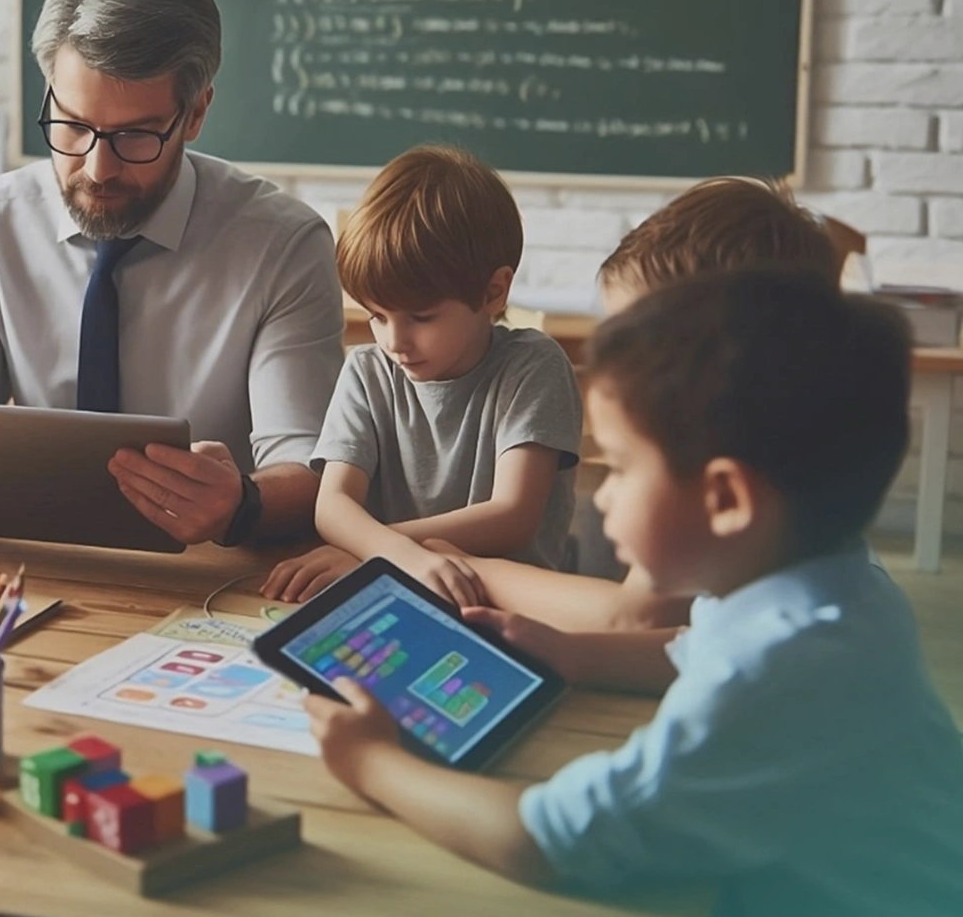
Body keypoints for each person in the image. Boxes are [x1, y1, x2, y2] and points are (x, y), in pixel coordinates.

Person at [304, 270, 963, 915]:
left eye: (619, 468)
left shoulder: (768, 677)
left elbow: (548, 840)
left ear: (726, 498)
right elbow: (695, 644)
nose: (605, 496)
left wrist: (371, 762)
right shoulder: (837, 585)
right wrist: (574, 653)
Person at [0, 0, 346, 548]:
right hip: (35, 565)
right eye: (72, 125)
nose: (97, 167)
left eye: (135, 135)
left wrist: (243, 504)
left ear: (196, 114)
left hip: (214, 576)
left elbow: (313, 475)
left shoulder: (283, 244)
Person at [434, 177, 845, 633]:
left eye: (637, 343)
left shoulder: (722, 471)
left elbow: (636, 615)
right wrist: (573, 657)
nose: (619, 364)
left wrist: (464, 567)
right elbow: (685, 645)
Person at [263, 146, 581, 606]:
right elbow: (332, 508)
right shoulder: (368, 371)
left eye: (422, 317)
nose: (395, 341)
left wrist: (377, 553)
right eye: (377, 315)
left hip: (507, 606)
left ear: (494, 292)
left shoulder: (534, 365)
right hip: (392, 596)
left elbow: (514, 516)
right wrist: (392, 556)